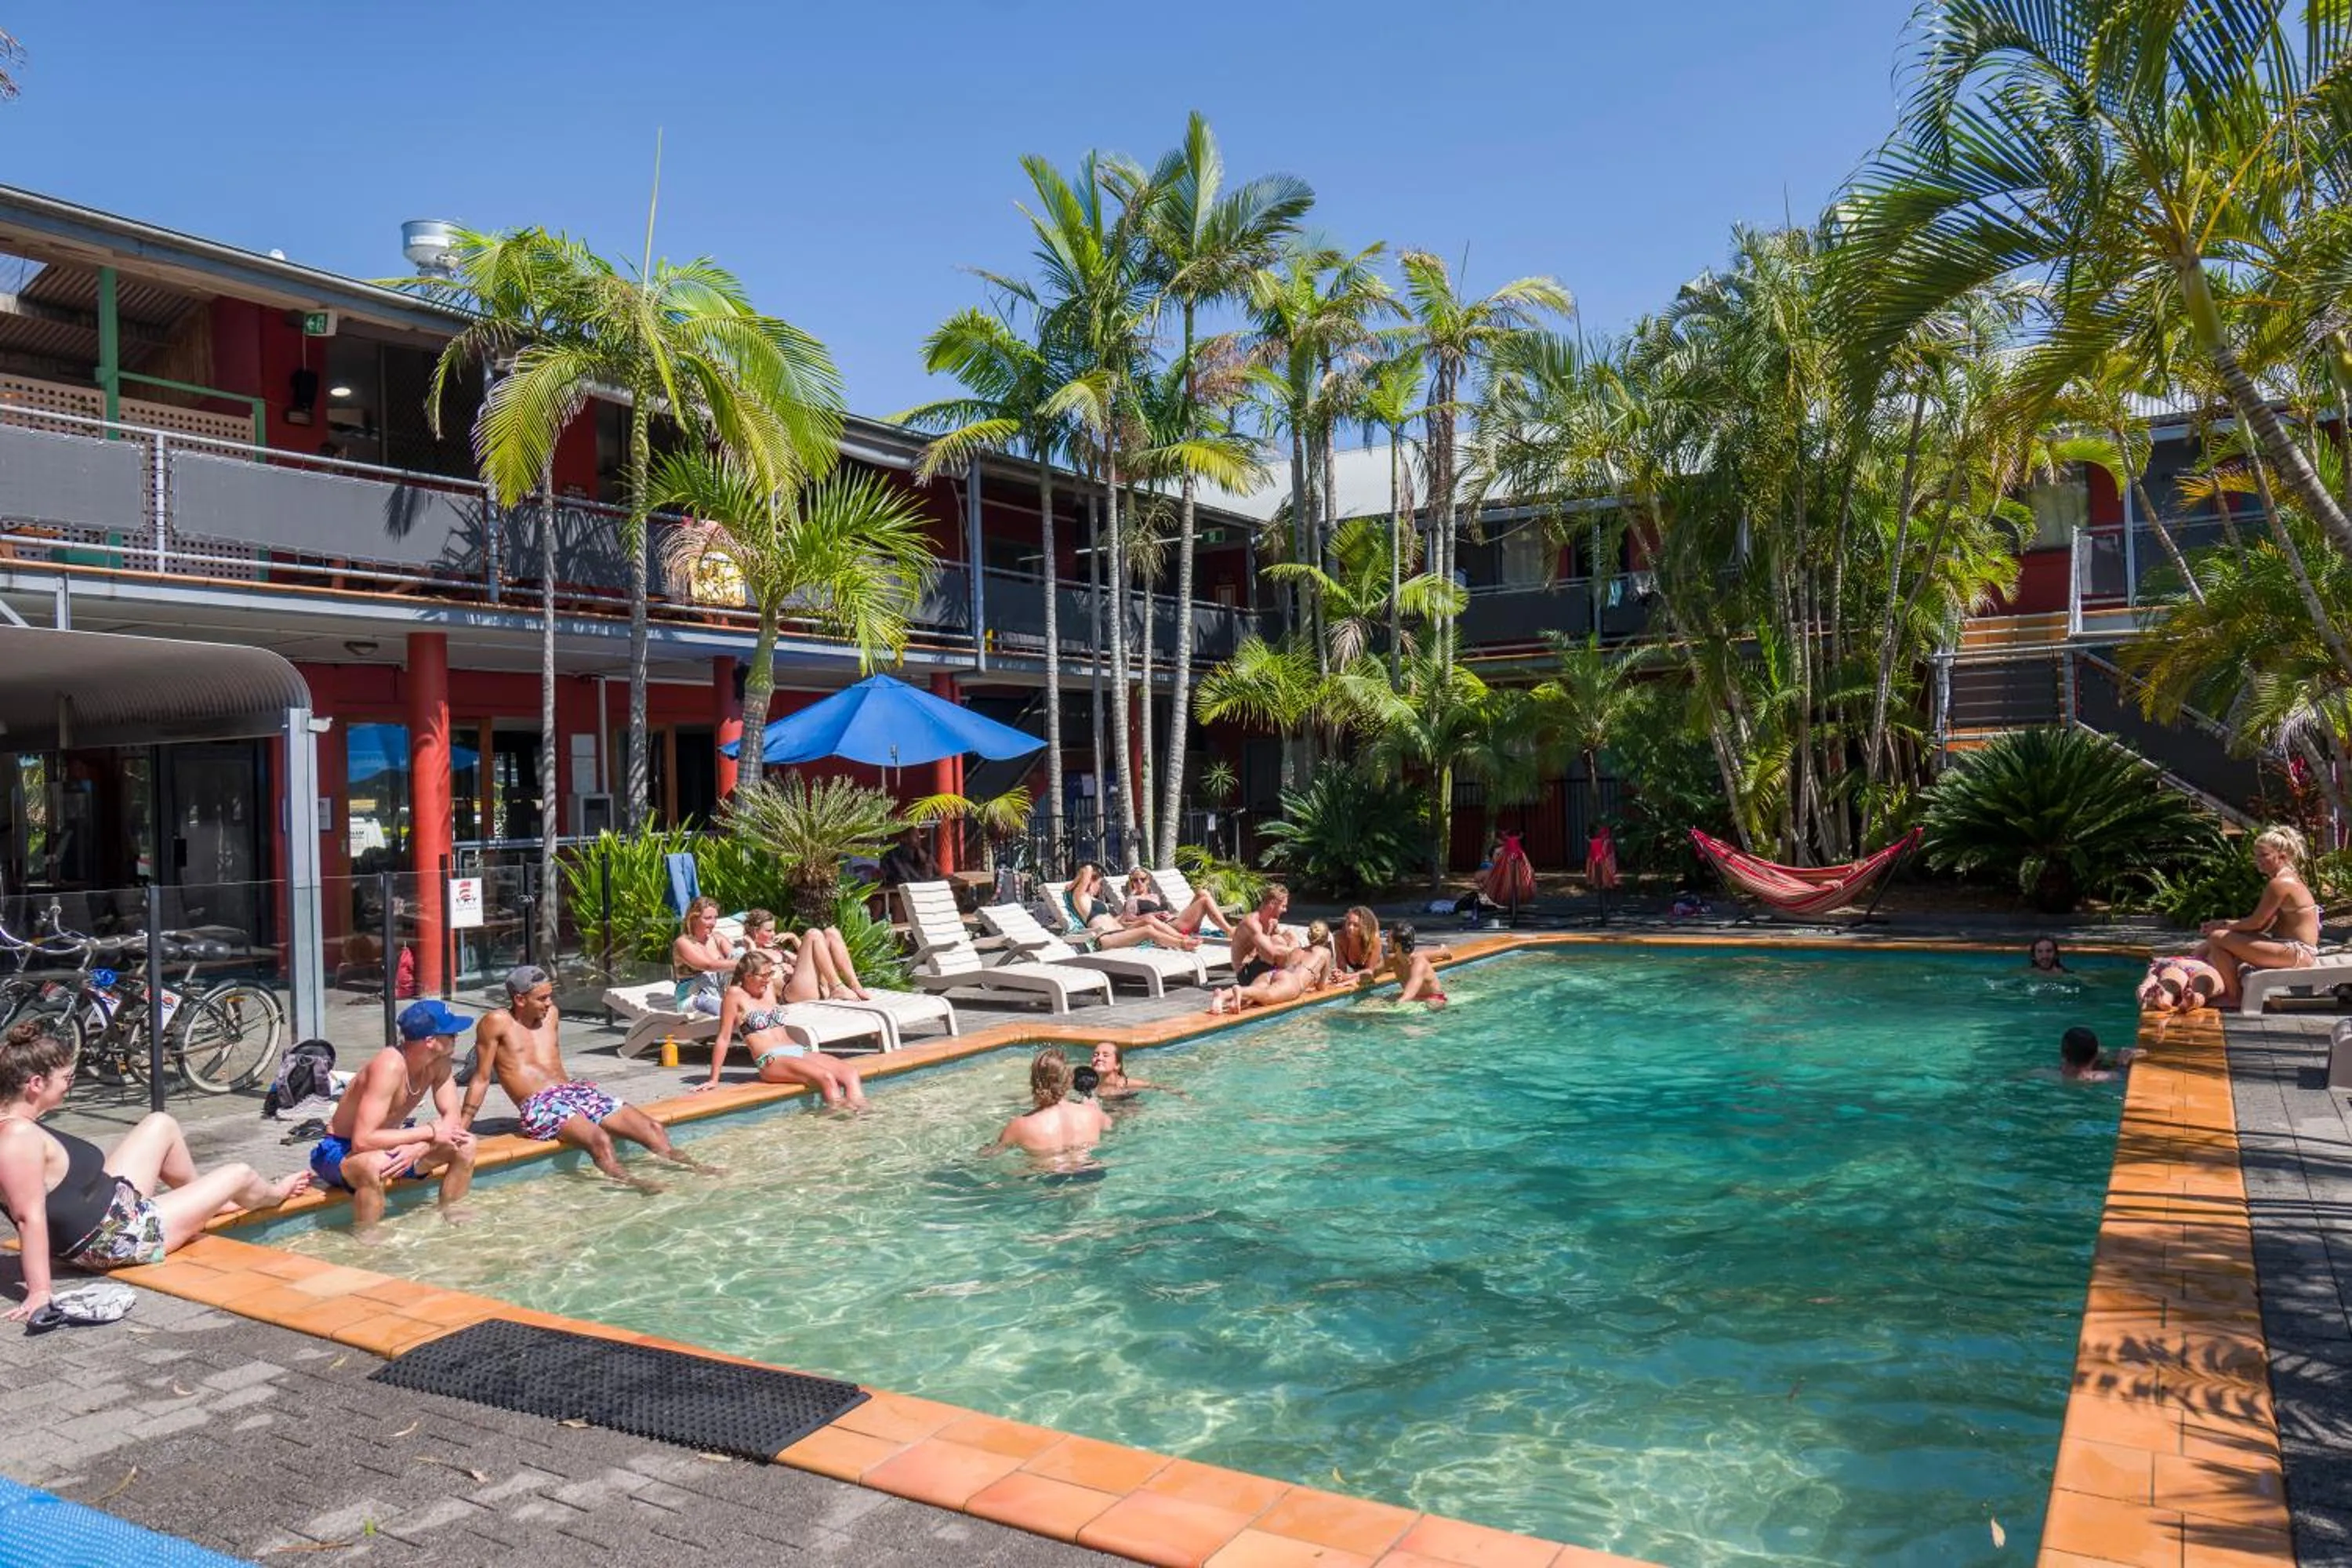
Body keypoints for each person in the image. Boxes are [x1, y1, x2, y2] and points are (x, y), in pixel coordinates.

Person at [0, 1022, 311, 1322]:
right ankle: (273, 1194)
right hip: (118, 1237)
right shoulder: (17, 1138)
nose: (71, 1084)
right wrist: (40, 1292)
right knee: (239, 1173)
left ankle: (211, 1202)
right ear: (36, 1084)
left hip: (111, 1206)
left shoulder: (14, 1123)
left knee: (160, 1124)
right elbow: (29, 1216)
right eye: (66, 1078)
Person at [460, 965, 711, 1192]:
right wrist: (462, 1127)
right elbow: (481, 1079)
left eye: (550, 996)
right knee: (599, 1139)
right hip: (540, 1104)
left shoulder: (552, 1015)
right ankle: (634, 1184)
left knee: (652, 1128)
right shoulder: (496, 1022)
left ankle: (697, 1168)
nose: (549, 1003)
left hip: (575, 1093)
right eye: (542, 998)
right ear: (519, 999)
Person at [311, 1000, 479, 1228]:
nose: (457, 1037)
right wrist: (429, 1132)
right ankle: (368, 1235)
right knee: (375, 1164)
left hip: (393, 1145)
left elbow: (453, 1119)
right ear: (430, 1041)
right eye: (451, 1034)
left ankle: (451, 1215)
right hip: (341, 1150)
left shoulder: (440, 1062)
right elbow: (363, 1140)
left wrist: (420, 1146)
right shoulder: (389, 1066)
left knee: (466, 1145)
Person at [695, 949, 869, 1109]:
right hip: (771, 1060)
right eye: (764, 975)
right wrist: (713, 1079)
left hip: (797, 1051)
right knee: (826, 1078)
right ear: (748, 976)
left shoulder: (768, 988)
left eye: (770, 973)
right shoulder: (734, 995)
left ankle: (862, 1116)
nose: (768, 979)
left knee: (850, 1073)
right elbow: (724, 1038)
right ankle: (838, 1122)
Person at [2196, 825, 2325, 1007]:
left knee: (2218, 937)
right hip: (2290, 949)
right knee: (2218, 940)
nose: (2258, 861)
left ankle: (2234, 997)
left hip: (2298, 953)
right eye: (2256, 856)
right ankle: (2199, 973)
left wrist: (2222, 925)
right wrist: (2222, 925)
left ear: (2282, 856)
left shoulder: (2280, 883)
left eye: (2264, 856)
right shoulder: (2284, 879)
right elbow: (2263, 925)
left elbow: (2256, 923)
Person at [988, 1048, 1109, 1157]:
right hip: (1093, 1173)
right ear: (1069, 1079)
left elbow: (991, 1154)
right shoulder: (1093, 1113)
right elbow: (1109, 1126)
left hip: (1049, 1179)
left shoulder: (1019, 1125)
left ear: (1034, 1082)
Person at [1058, 864, 1200, 952]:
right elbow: (1087, 869)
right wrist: (1073, 884)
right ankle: (1182, 943)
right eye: (1099, 884)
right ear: (1090, 882)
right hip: (1106, 937)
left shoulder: (1094, 901)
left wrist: (1123, 914)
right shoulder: (1081, 899)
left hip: (1118, 930)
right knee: (1148, 930)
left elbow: (1112, 920)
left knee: (1149, 920)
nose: (1099, 888)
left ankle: (1182, 937)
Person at [671, 896, 739, 1014]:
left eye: (715, 918)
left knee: (740, 952)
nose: (713, 923)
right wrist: (746, 963)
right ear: (693, 919)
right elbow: (709, 965)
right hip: (694, 997)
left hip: (719, 993)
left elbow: (736, 956)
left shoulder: (717, 938)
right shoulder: (683, 943)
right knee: (728, 1009)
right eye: (707, 918)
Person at [1229, 883, 1300, 986]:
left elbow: (1281, 946)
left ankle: (1289, 975)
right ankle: (1289, 976)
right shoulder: (1252, 923)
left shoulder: (1272, 922)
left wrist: (1292, 946)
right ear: (1272, 903)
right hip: (1246, 972)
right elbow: (1271, 952)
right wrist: (1298, 952)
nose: (1285, 910)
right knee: (1277, 943)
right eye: (1283, 906)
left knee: (1288, 935)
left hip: (1262, 965)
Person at [1381, 921, 1452, 1008]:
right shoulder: (1394, 960)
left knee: (1432, 1005)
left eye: (1389, 939)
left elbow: (1410, 993)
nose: (1386, 941)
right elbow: (1373, 972)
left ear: (1398, 946)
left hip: (1433, 998)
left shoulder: (1419, 964)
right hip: (1413, 998)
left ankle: (1443, 952)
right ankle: (1443, 952)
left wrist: (1396, 1005)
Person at [2137, 954, 2223, 1014]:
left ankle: (2165, 998)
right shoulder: (2159, 964)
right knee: (2203, 987)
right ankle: (2192, 1000)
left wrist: (2144, 988)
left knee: (2168, 985)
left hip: (2181, 967)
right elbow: (2151, 977)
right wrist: (2145, 989)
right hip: (2202, 967)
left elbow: (2151, 978)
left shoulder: (2161, 963)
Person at [1089, 1040, 1174, 1100]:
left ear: (1117, 1065)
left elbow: (1157, 1086)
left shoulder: (1126, 1084)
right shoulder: (1087, 1083)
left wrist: (1184, 1096)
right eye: (1096, 1055)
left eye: (1105, 1055)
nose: (1099, 1058)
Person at [2060, 1025, 2142, 1082]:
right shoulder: (2104, 1077)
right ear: (2096, 1055)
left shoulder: (2053, 1075)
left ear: (2063, 1054)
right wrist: (2123, 1065)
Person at [878, 826, 940, 890]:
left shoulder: (921, 851)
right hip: (898, 889)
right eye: (915, 836)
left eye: (919, 836)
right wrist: (923, 876)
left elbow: (938, 872)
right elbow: (905, 878)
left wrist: (930, 862)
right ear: (904, 838)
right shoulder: (896, 853)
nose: (919, 838)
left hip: (919, 886)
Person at [1334, 906, 1384, 981]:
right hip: (1359, 975)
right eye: (1349, 923)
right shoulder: (1339, 938)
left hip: (1381, 973)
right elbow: (1341, 967)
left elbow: (1369, 971)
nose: (1350, 928)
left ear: (1364, 927)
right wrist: (1338, 974)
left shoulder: (1374, 940)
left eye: (1356, 925)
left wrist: (1347, 977)